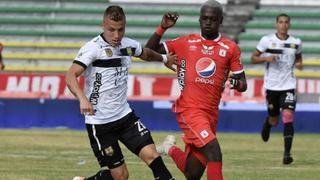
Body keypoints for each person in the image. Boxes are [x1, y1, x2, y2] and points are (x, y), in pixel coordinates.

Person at [66, 5, 176, 180]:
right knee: (121, 176)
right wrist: (82, 99)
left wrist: (164, 58)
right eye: (111, 30)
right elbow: (71, 75)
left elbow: (145, 53)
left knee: (153, 156)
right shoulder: (92, 48)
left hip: (125, 117)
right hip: (100, 123)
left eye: (120, 30)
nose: (116, 35)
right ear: (103, 26)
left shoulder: (128, 45)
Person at [145, 0, 247, 179]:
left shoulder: (230, 48)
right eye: (205, 18)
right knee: (214, 151)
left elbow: (243, 83)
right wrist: (162, 28)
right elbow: (148, 51)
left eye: (213, 19)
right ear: (199, 20)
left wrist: (237, 83)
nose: (208, 22)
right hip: (189, 110)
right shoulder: (185, 42)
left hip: (211, 114)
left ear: (220, 21)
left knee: (192, 173)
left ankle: (169, 148)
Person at [251, 13, 303, 165]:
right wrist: (266, 58)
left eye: (286, 22)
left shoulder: (296, 42)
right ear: (276, 24)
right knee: (275, 120)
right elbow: (253, 58)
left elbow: (299, 57)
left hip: (289, 85)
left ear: (289, 24)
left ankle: (287, 154)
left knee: (287, 116)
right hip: (272, 86)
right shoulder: (267, 40)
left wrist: (300, 64)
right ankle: (269, 121)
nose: (283, 25)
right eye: (281, 22)